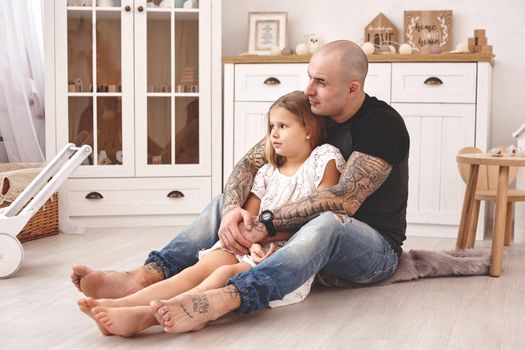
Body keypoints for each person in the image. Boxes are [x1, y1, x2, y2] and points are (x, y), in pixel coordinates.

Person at [71, 39, 410, 334]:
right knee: (223, 202)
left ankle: (226, 298)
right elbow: (251, 163)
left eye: (320, 82)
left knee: (328, 223)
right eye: (309, 77)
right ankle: (146, 276)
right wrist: (235, 209)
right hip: (298, 236)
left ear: (352, 89)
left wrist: (264, 226)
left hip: (372, 250)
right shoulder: (314, 112)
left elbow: (342, 200)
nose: (309, 90)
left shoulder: (382, 125)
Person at [77, 91, 345, 336]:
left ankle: (145, 317)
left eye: (283, 127)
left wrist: (262, 244)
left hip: (284, 250)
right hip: (251, 244)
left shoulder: (323, 159)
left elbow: (318, 213)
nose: (273, 134)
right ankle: (122, 303)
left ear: (309, 130)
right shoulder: (266, 171)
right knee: (196, 271)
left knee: (223, 274)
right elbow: (247, 219)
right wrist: (251, 241)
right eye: (271, 127)